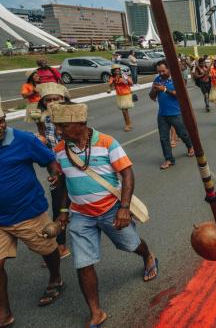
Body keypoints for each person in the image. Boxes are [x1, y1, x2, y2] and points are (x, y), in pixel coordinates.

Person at [50, 103, 157, 328]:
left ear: (80, 124)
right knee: (83, 263)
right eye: (57, 126)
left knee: (132, 244)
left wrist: (124, 208)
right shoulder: (60, 149)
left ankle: (148, 256)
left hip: (111, 210)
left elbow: (127, 173)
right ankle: (96, 312)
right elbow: (64, 183)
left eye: (63, 126)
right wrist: (63, 212)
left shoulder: (107, 142)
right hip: (80, 215)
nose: (59, 131)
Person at [0, 105, 65, 327]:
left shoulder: (22, 139)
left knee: (48, 249)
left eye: (1, 121)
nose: (0, 126)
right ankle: (4, 312)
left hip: (28, 211)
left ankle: (55, 277)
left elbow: (49, 159)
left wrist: (55, 174)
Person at [36, 83, 71, 259]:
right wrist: (39, 139)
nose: (52, 103)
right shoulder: (43, 119)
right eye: (48, 100)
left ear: (63, 99)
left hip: (75, 166)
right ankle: (61, 245)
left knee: (82, 204)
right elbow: (45, 141)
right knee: (59, 207)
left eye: (56, 99)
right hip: (56, 169)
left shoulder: (74, 115)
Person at [150, 60, 195, 170]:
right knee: (164, 138)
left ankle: (190, 147)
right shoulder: (157, 80)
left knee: (183, 134)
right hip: (162, 114)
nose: (160, 73)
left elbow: (179, 95)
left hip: (176, 113)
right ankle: (169, 159)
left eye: (163, 71)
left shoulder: (176, 80)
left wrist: (164, 89)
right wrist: (155, 90)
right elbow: (152, 97)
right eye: (159, 71)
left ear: (169, 69)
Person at [107, 64, 134, 132]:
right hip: (120, 95)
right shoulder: (112, 78)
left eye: (118, 69)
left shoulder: (124, 75)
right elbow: (111, 85)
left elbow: (131, 83)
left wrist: (125, 80)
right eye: (116, 70)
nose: (117, 71)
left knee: (124, 111)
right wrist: (109, 89)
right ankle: (129, 124)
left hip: (126, 94)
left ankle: (128, 124)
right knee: (124, 111)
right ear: (113, 71)